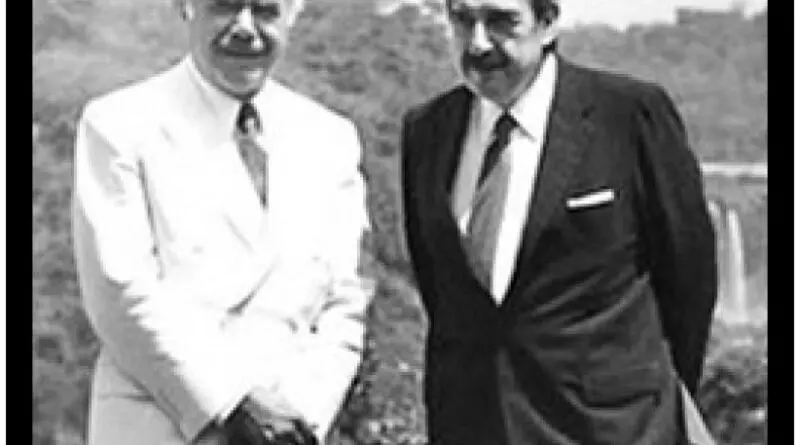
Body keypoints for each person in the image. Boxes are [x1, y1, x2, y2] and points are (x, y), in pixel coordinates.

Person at [399, 0, 718, 443]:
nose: (478, 43)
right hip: (472, 425)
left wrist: (654, 407)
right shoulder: (428, 131)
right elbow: (441, 292)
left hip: (609, 428)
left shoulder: (627, 117)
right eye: (463, 21)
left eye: (501, 21)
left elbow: (689, 279)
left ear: (547, 23)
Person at [72, 0, 372, 444]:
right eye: (225, 6)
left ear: (293, 13)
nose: (245, 28)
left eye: (265, 10)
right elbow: (119, 294)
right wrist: (233, 404)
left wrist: (299, 417)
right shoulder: (120, 125)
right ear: (185, 7)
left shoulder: (329, 139)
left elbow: (345, 304)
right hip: (163, 425)